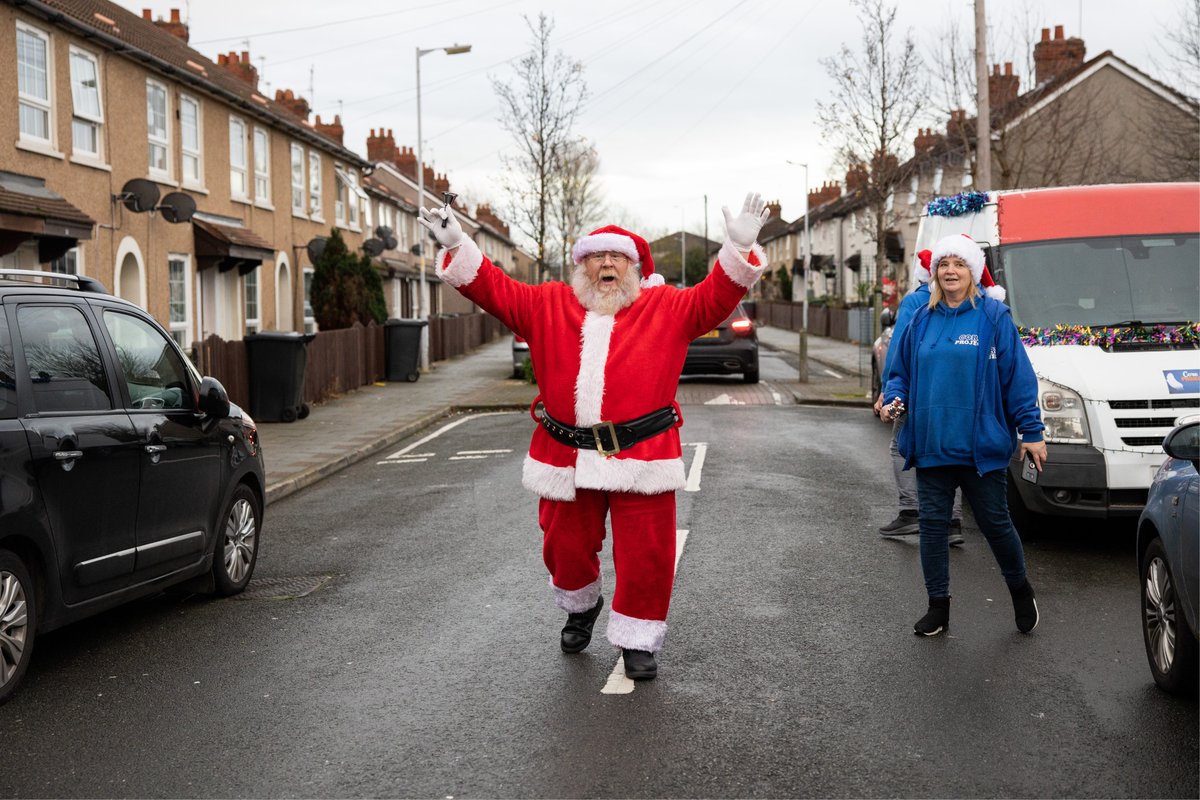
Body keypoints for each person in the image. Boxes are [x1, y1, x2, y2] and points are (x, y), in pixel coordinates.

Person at [418, 194, 770, 680]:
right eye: (596, 256)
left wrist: (736, 248)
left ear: (635, 266)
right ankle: (581, 603)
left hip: (642, 453)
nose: (607, 264)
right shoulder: (546, 304)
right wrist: (460, 244)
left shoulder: (666, 307)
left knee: (647, 552)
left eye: (617, 257)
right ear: (581, 265)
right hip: (566, 454)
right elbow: (494, 289)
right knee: (564, 545)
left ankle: (637, 638)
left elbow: (715, 298)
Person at [880, 234, 1045, 637]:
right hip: (931, 443)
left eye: (959, 263)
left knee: (996, 526)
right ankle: (938, 606)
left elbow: (1017, 378)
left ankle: (1020, 589)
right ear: (934, 272)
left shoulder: (993, 316)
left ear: (973, 271)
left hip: (980, 448)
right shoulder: (921, 318)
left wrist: (1032, 430)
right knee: (932, 528)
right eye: (943, 264)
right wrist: (894, 397)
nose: (950, 270)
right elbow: (898, 372)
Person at [875, 249, 965, 544]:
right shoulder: (980, 303)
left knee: (898, 445)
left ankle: (910, 513)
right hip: (956, 391)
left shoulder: (916, 301)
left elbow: (899, 349)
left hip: (916, 387)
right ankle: (953, 521)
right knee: (952, 450)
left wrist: (887, 391)